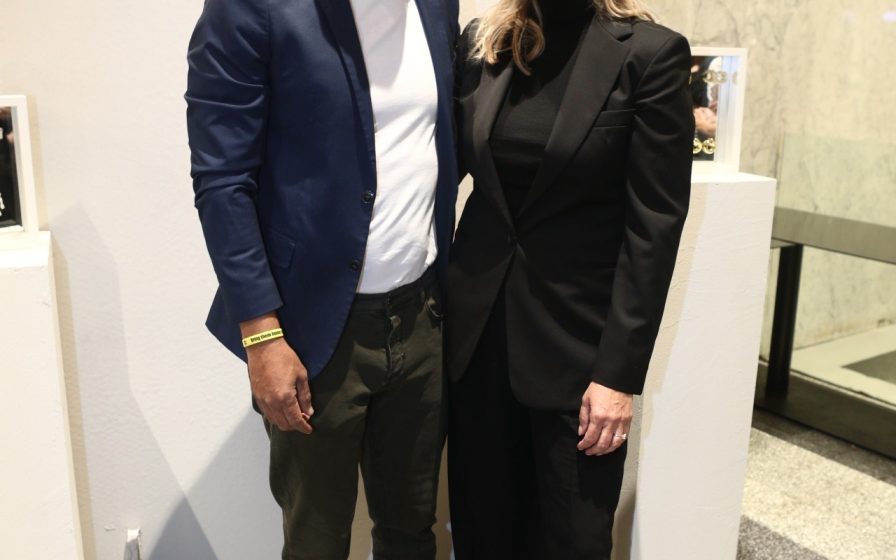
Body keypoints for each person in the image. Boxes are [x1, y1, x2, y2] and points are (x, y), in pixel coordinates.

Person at [185, 0, 459, 557]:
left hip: (422, 318)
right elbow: (222, 182)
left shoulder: (435, 6)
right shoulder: (250, 10)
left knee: (412, 531)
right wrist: (262, 336)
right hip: (310, 333)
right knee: (316, 541)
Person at [446, 0, 693, 558]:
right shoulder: (485, 45)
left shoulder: (649, 55)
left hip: (581, 359)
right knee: (482, 533)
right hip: (477, 345)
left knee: (574, 540)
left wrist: (618, 376)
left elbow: (653, 230)